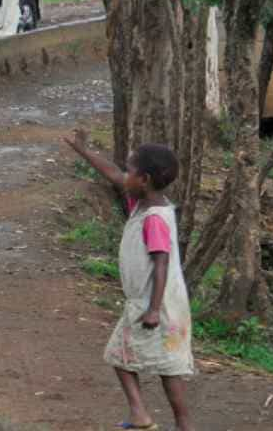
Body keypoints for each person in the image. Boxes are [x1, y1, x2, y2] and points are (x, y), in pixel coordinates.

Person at [64, 131, 195, 431]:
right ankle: (181, 423)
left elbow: (160, 264)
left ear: (145, 180)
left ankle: (143, 416)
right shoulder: (147, 204)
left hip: (152, 303)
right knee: (169, 367)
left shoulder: (153, 219)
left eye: (131, 171)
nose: (125, 175)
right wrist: (83, 150)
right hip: (164, 302)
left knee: (120, 356)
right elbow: (113, 175)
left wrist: (151, 309)